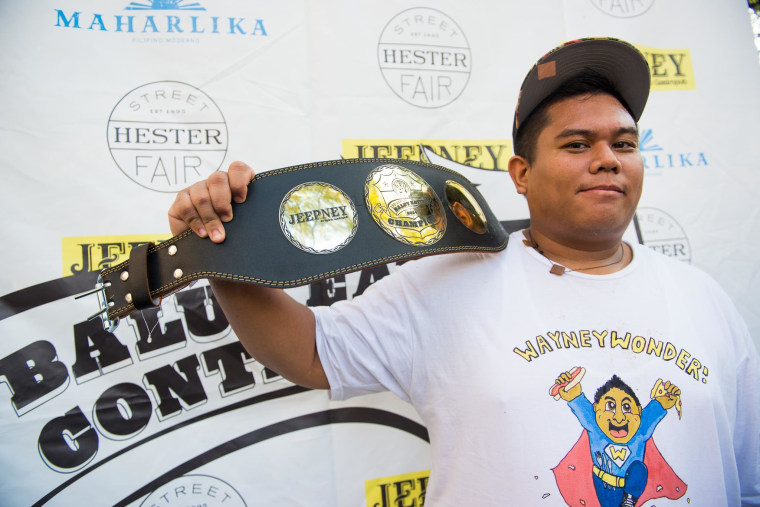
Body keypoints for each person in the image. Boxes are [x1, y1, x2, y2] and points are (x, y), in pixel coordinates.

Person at [167, 38, 760, 506]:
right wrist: (222, 250)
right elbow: (313, 352)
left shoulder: (703, 298)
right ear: (521, 173)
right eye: (577, 144)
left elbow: (747, 478)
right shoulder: (450, 282)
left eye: (624, 144)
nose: (607, 158)